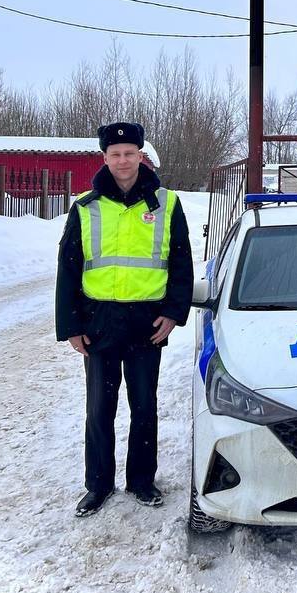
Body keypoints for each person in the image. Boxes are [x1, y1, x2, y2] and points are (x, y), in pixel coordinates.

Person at [55, 122, 193, 517]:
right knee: (99, 407)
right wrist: (71, 327)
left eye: (129, 153)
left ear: (140, 156)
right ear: (104, 158)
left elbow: (181, 263)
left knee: (144, 404)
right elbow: (68, 268)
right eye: (115, 154)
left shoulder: (166, 203)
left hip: (147, 322)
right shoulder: (85, 206)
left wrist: (172, 314)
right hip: (98, 320)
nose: (122, 161)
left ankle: (141, 481)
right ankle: (98, 485)